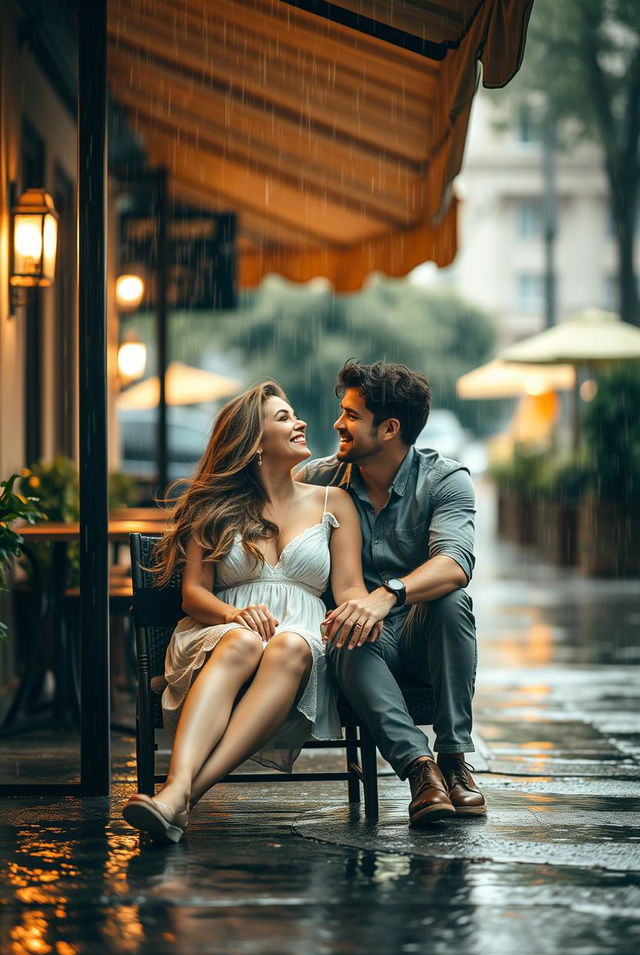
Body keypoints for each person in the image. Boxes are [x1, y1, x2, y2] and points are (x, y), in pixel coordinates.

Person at [123, 381, 380, 843]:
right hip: (219, 632)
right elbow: (192, 595)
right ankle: (177, 790)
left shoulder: (334, 503)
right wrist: (231, 616)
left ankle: (180, 796)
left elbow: (348, 588)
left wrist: (373, 609)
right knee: (242, 641)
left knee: (292, 646)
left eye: (294, 414)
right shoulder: (210, 506)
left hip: (299, 639)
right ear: (252, 441)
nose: (300, 422)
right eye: (283, 418)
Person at [298, 360, 486, 827]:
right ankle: (421, 771)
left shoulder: (445, 479)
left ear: (389, 429)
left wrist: (386, 595)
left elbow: (455, 564)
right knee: (342, 629)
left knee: (450, 601)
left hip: (424, 638)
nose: (337, 424)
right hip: (363, 646)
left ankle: (454, 759)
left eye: (351, 416)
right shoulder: (318, 482)